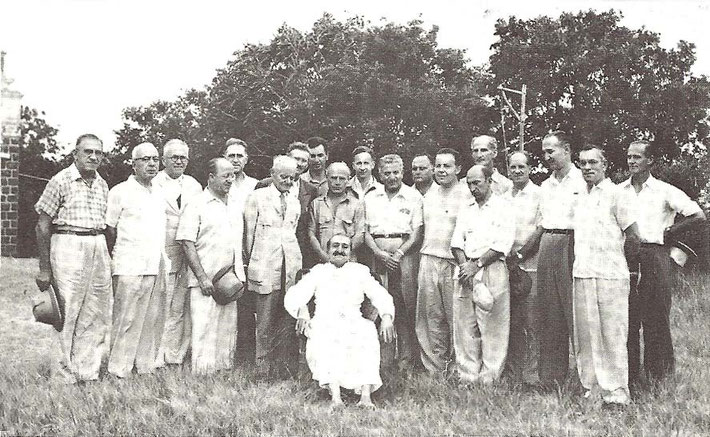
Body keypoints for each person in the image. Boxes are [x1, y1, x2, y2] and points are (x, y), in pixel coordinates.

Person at [620, 140, 706, 386]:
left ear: (650, 161)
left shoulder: (664, 190)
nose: (632, 161)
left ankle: (659, 378)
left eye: (637, 157)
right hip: (625, 256)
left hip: (654, 254)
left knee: (656, 317)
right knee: (627, 316)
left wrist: (672, 231)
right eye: (629, 156)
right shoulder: (618, 191)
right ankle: (629, 375)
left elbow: (698, 215)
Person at [34, 133, 112, 383]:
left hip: (97, 244)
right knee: (66, 310)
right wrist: (44, 269)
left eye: (98, 152)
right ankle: (62, 373)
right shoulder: (61, 180)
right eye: (88, 151)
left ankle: (86, 370)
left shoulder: (102, 184)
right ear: (75, 154)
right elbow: (42, 226)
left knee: (95, 311)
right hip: (68, 243)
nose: (93, 157)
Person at [284, 234, 395, 409]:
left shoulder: (360, 271)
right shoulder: (319, 271)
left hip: (354, 320)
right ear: (328, 251)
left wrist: (387, 316)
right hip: (324, 320)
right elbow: (294, 295)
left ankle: (365, 397)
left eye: (345, 247)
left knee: (367, 332)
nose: (340, 250)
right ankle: (336, 398)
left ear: (350, 252)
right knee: (325, 337)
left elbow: (379, 293)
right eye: (335, 246)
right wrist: (303, 313)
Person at [573, 145, 640, 407]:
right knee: (587, 336)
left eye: (593, 162)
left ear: (605, 165)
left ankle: (617, 393)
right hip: (583, 274)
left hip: (611, 276)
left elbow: (634, 236)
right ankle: (592, 388)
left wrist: (626, 267)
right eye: (582, 163)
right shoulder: (579, 195)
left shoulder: (617, 194)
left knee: (612, 335)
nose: (587, 167)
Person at [176, 158, 244, 374]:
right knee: (205, 329)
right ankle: (203, 375)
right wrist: (202, 277)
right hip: (204, 281)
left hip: (230, 280)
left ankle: (224, 371)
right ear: (211, 177)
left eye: (232, 175)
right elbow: (187, 242)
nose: (230, 180)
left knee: (227, 329)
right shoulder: (196, 204)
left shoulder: (235, 203)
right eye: (225, 176)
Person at [105, 143, 167, 378]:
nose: (151, 164)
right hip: (128, 263)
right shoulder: (119, 191)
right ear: (133, 164)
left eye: (155, 159)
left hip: (154, 263)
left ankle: (144, 366)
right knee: (126, 318)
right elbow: (109, 230)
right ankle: (119, 369)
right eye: (145, 160)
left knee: (150, 319)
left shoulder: (160, 192)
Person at [451, 165, 515, 384]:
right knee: (465, 325)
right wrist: (465, 267)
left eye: (477, 182)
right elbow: (457, 242)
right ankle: (467, 376)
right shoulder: (466, 208)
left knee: (493, 325)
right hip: (465, 272)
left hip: (491, 268)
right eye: (469, 183)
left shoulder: (504, 207)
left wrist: (477, 264)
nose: (472, 187)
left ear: (489, 181)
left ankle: (490, 378)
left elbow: (502, 244)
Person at [536, 131, 587, 388]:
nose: (546, 157)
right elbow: (542, 222)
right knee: (549, 311)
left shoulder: (582, 180)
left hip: (572, 242)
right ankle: (552, 377)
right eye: (544, 152)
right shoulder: (546, 185)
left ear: (566, 150)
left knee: (574, 311)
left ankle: (583, 377)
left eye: (551, 151)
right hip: (548, 243)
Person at [364, 154, 424, 372]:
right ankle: (382, 360)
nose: (392, 177)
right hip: (377, 254)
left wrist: (398, 253)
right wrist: (378, 253)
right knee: (376, 307)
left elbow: (417, 232)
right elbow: (365, 231)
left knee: (405, 307)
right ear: (379, 174)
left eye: (396, 172)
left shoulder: (413, 196)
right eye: (387, 173)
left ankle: (407, 360)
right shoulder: (371, 197)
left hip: (404, 255)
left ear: (403, 172)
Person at [244, 156, 303, 377]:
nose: (288, 181)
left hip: (289, 265)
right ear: (272, 173)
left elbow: (292, 232)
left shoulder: (295, 201)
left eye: (292, 177)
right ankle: (263, 368)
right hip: (265, 265)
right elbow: (249, 234)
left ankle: (283, 367)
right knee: (265, 321)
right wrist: (251, 263)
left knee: (287, 318)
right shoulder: (257, 197)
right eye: (283, 176)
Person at [416, 148, 471, 374]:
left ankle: (460, 368)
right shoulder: (428, 195)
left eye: (447, 166)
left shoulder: (467, 194)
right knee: (431, 318)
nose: (441, 170)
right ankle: (436, 369)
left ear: (458, 168)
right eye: (438, 166)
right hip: (429, 260)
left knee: (457, 318)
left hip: (454, 263)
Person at [153, 139, 202, 366]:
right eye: (174, 157)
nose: (179, 161)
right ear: (164, 160)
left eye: (183, 157)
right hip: (162, 251)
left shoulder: (193, 185)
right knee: (161, 304)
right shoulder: (153, 183)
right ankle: (155, 356)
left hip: (189, 253)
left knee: (181, 306)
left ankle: (175, 354)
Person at [504, 151, 543, 384]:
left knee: (531, 320)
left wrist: (520, 255)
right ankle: (511, 372)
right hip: (504, 263)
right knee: (510, 320)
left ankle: (532, 375)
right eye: (513, 167)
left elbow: (539, 230)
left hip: (529, 263)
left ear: (529, 168)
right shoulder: (502, 195)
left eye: (521, 167)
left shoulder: (538, 195)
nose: (517, 171)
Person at [308, 162, 365, 263]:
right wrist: (323, 255)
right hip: (322, 261)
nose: (337, 182)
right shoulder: (316, 204)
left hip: (348, 261)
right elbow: (311, 233)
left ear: (348, 180)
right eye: (333, 178)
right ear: (326, 178)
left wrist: (342, 254)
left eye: (342, 178)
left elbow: (360, 234)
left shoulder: (357, 204)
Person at [223, 138, 258, 214]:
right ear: (225, 158)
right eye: (231, 156)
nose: (235, 160)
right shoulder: (219, 184)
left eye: (239, 156)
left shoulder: (255, 185)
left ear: (246, 159)